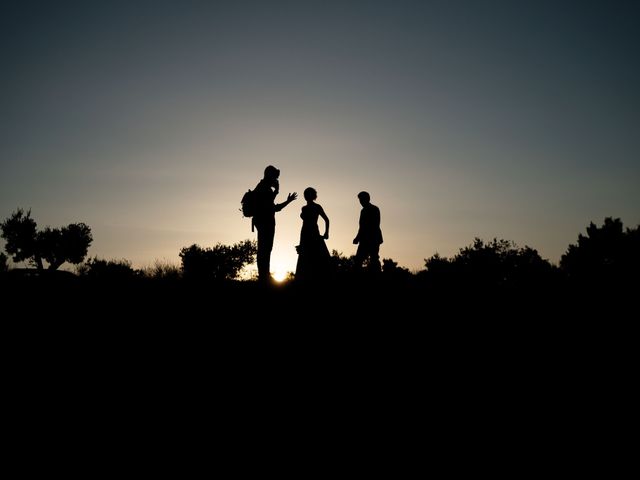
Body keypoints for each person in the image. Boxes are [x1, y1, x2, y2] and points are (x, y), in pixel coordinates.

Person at [252, 165, 297, 282]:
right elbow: (272, 208)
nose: (276, 180)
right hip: (265, 223)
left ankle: (264, 276)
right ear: (270, 175)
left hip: (263, 222)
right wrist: (278, 192)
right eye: (275, 177)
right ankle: (264, 278)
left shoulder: (264, 188)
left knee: (264, 250)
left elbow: (271, 206)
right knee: (264, 250)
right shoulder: (264, 188)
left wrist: (279, 195)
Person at [295, 187, 331, 281]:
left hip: (314, 233)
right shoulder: (304, 208)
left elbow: (327, 220)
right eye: (306, 194)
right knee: (305, 257)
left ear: (313, 196)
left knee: (318, 256)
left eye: (308, 194)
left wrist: (326, 232)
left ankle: (319, 278)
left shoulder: (317, 207)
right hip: (305, 233)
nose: (307, 196)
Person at [353, 191, 383, 272]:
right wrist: (357, 237)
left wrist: (363, 237)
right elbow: (361, 226)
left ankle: (377, 276)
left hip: (373, 238)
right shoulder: (363, 211)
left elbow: (375, 224)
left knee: (374, 259)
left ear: (367, 199)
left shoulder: (374, 209)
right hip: (364, 239)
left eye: (362, 199)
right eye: (360, 200)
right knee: (358, 260)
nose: (361, 202)